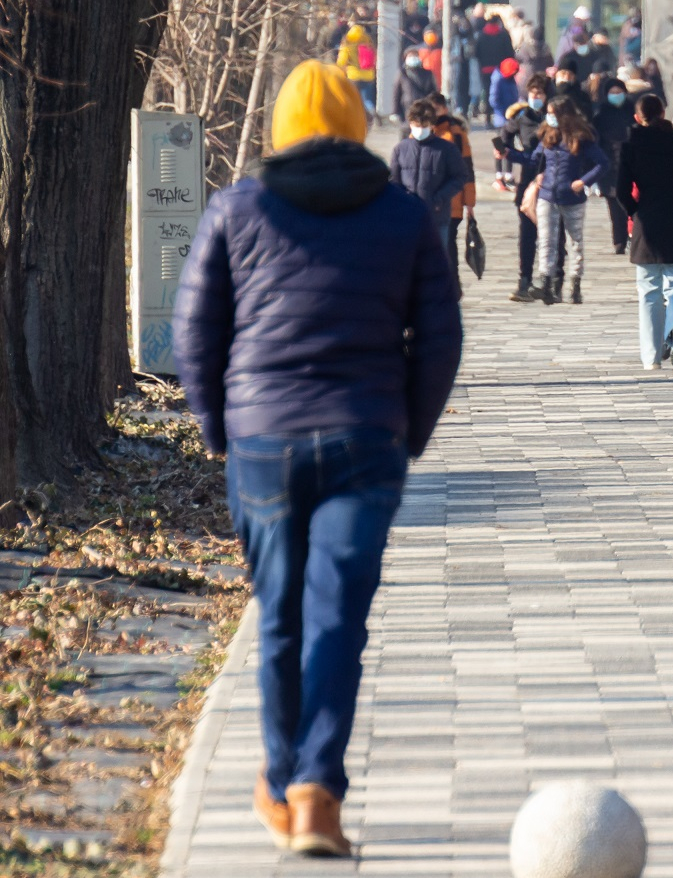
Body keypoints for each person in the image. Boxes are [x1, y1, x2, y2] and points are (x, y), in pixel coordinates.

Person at [173, 61, 460, 857]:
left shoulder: (238, 207)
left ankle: (278, 777)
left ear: (279, 126)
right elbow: (440, 335)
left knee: (280, 615)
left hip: (262, 438)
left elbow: (194, 328)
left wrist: (216, 427)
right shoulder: (401, 214)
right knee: (337, 615)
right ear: (359, 122)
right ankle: (316, 795)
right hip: (367, 437)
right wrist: (411, 431)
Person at [615, 94, 673, 369]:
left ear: (637, 117)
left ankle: (651, 357)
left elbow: (620, 190)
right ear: (663, 112)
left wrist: (634, 211)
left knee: (649, 291)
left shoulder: (631, 143)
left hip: (647, 222)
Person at [505, 100, 608, 305]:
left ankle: (575, 285)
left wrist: (583, 181)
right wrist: (510, 154)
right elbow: (533, 160)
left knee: (574, 240)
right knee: (546, 240)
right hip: (547, 195)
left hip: (572, 197)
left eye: (552, 114)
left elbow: (603, 163)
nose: (548, 117)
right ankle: (546, 284)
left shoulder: (581, 138)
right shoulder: (547, 136)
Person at [494, 76, 552, 302]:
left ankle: (550, 281)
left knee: (551, 234)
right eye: (533, 93)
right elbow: (504, 135)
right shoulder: (523, 117)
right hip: (527, 180)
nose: (536, 97)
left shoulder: (555, 117)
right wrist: (504, 152)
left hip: (552, 181)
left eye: (540, 93)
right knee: (527, 233)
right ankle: (524, 280)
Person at [388, 100, 471, 233]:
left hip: (437, 218)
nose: (420, 129)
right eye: (416, 125)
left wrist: (439, 199)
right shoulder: (401, 149)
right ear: (410, 123)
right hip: (408, 217)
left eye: (424, 125)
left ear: (432, 125)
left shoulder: (447, 149)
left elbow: (460, 176)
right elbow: (394, 181)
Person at [426, 94, 477, 285]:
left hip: (452, 200)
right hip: (426, 199)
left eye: (436, 109)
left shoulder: (455, 134)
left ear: (444, 109)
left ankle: (453, 284)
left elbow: (467, 169)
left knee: (448, 244)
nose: (433, 114)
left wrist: (470, 202)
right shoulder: (421, 132)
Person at [587, 72, 635, 255]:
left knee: (630, 204)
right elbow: (595, 141)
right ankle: (619, 240)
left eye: (619, 91)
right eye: (612, 92)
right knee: (614, 206)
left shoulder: (632, 111)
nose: (616, 95)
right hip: (609, 166)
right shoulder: (601, 114)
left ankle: (632, 236)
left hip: (631, 164)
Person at [475, 9, 517, 119]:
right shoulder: (503, 35)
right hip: (501, 70)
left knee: (488, 91)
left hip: (485, 69)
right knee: (502, 93)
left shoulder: (481, 35)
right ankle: (503, 115)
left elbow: (477, 53)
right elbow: (509, 52)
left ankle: (488, 117)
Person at [335, 23, 377, 116]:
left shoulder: (347, 45)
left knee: (353, 99)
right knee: (367, 99)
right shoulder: (368, 43)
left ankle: (356, 117)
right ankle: (372, 111)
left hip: (353, 76)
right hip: (369, 75)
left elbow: (341, 62)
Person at [390, 45, 437, 125]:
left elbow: (433, 91)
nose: (413, 57)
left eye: (415, 55)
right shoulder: (402, 73)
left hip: (424, 107)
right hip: (408, 107)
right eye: (410, 56)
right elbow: (396, 93)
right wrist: (395, 111)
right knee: (408, 130)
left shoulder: (428, 73)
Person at [489, 57, 522, 128]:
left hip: (512, 114)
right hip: (502, 118)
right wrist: (503, 111)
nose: (514, 75)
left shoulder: (511, 78)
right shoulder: (498, 79)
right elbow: (493, 99)